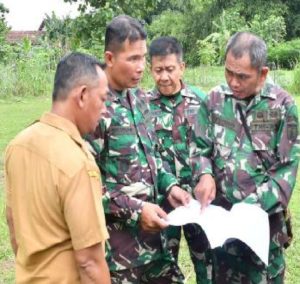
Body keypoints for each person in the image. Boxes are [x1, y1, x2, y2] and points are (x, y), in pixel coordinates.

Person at [86, 15, 190, 283]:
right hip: (120, 256)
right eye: (132, 59)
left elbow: (152, 156)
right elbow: (84, 184)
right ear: (109, 58)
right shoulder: (93, 108)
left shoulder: (140, 98)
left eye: (143, 58)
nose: (142, 67)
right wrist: (135, 210)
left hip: (158, 249)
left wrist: (170, 186)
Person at [195, 31, 300, 283]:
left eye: (242, 76)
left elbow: (285, 172)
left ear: (262, 73)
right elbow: (200, 147)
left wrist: (243, 212)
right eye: (228, 72)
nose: (233, 82)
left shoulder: (284, 107)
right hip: (221, 235)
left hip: (262, 233)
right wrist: (205, 173)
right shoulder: (214, 100)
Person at [5, 52, 111, 284]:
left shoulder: (19, 144)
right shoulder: (78, 160)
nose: (105, 110)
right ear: (83, 95)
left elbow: (13, 224)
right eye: (103, 99)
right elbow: (90, 262)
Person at [147, 36, 215, 284]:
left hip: (199, 203)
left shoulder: (201, 101)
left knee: (208, 266)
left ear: (182, 67)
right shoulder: (143, 106)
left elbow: (213, 147)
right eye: (158, 70)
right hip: (164, 204)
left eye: (170, 69)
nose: (164, 77)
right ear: (150, 69)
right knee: (164, 267)